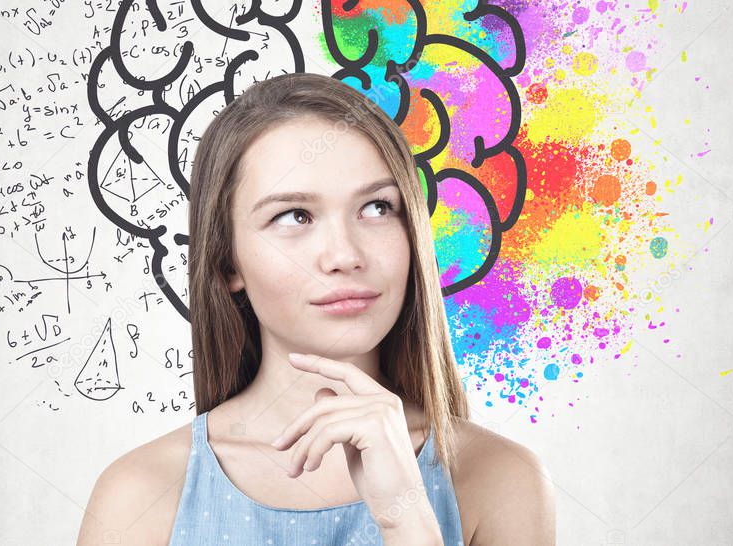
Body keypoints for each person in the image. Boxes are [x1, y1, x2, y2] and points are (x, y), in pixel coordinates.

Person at [76, 73, 556, 545]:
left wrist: (407, 521)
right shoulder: (139, 494)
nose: (345, 255)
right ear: (227, 262)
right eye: (294, 216)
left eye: (376, 208)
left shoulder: (499, 479)